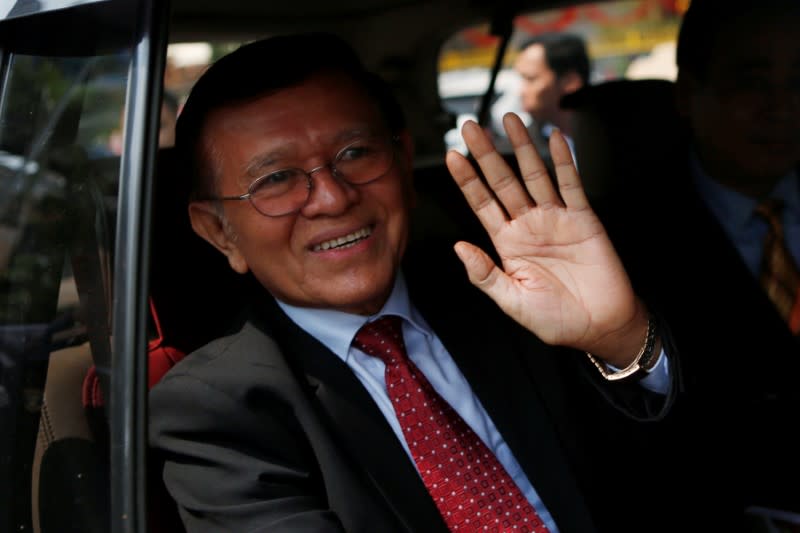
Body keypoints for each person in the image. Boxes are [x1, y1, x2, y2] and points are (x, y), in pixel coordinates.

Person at [148, 32, 685, 533]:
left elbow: (691, 481)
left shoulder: (515, 294)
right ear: (220, 232)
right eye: (276, 180)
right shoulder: (216, 412)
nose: (333, 199)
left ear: (403, 162)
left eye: (355, 154)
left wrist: (618, 340)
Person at [568, 0, 800, 519]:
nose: (781, 107)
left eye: (798, 82)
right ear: (689, 95)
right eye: (752, 82)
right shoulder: (619, 248)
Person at [490, 33, 590, 164]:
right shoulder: (510, 153)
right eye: (522, 79)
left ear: (570, 81)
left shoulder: (618, 134)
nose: (521, 91)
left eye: (531, 79)